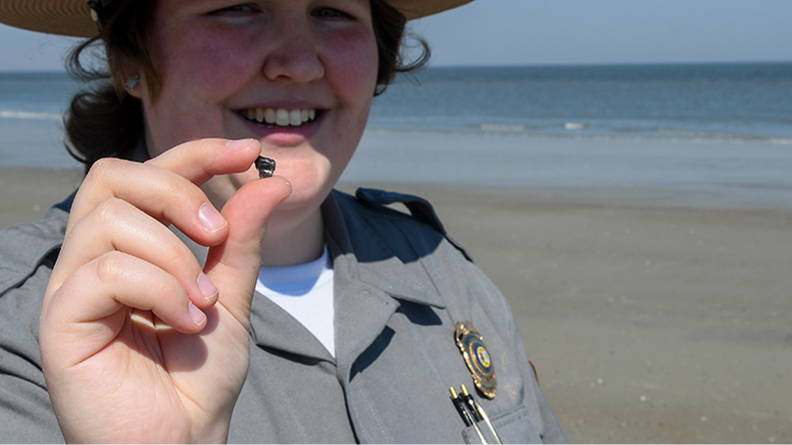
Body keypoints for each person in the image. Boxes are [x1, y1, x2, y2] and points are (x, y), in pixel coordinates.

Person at [0, 0, 567, 442]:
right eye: (237, 7)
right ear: (131, 58)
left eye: (333, 11)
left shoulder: (444, 275)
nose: (298, 62)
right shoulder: (27, 327)